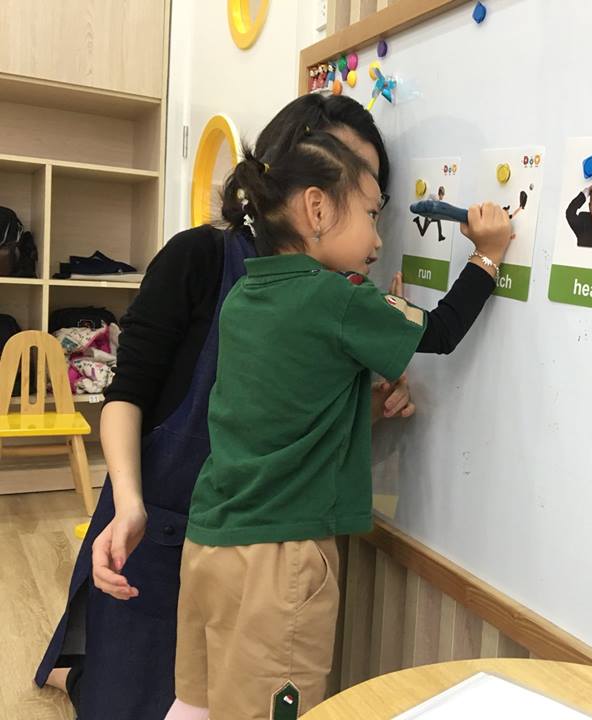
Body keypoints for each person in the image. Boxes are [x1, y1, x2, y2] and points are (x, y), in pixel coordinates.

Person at [35, 94, 415, 720]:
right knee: (130, 698)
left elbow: (286, 416)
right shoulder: (201, 255)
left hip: (264, 547)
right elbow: (126, 394)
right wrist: (128, 504)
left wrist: (364, 405)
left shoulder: (336, 291)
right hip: (160, 523)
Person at [163, 131, 511, 720]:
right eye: (372, 215)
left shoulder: (246, 294)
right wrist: (488, 254)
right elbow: (442, 331)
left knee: (197, 704)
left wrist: (362, 401)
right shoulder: (338, 299)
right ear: (317, 208)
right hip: (279, 557)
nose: (379, 240)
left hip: (209, 544)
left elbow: (285, 405)